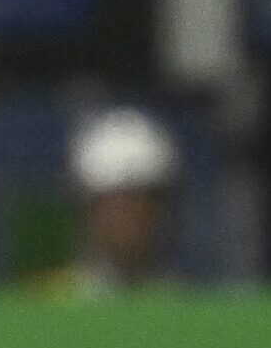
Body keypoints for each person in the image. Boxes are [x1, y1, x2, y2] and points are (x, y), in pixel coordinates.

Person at [60, 106, 186, 293]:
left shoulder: (184, 304)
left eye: (137, 204)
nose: (126, 220)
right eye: (114, 206)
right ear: (88, 212)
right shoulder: (44, 305)